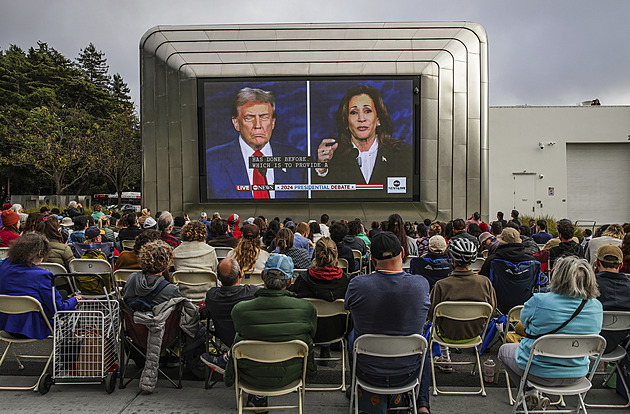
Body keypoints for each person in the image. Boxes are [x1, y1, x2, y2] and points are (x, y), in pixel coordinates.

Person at [204, 254, 317, 411]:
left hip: (251, 372)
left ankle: (230, 362)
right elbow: (311, 336)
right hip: (292, 373)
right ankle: (257, 397)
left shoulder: (241, 310)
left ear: (263, 276)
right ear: (290, 281)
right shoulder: (306, 309)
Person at [497, 256, 603, 410]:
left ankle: (528, 392)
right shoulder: (596, 307)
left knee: (503, 351)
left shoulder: (540, 301)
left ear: (558, 277)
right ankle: (531, 394)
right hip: (578, 374)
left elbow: (524, 325)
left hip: (538, 371)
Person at [345, 231, 431, 414]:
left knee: (353, 336)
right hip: (408, 373)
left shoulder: (357, 284)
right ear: (402, 251)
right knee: (422, 343)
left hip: (368, 373)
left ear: (372, 260)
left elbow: (349, 308)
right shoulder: (421, 285)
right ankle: (422, 403)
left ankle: (355, 387)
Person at [205, 87, 306, 199]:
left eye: (264, 118)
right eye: (249, 118)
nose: (257, 125)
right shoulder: (211, 162)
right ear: (236, 123)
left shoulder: (297, 159)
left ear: (272, 122)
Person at [313, 85, 412, 198]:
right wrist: (321, 169)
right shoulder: (333, 157)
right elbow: (317, 203)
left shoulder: (403, 153)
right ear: (346, 121)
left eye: (367, 111)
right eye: (354, 112)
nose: (361, 118)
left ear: (378, 119)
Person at [0, 233, 81, 339]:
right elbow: (58, 308)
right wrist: (74, 300)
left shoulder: (4, 265)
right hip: (31, 329)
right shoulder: (41, 275)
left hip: (4, 325)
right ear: (39, 253)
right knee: (64, 296)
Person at [201, 257, 258, 347]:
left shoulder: (212, 296)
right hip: (248, 341)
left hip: (225, 339)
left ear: (218, 278)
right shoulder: (252, 293)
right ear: (240, 274)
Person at [122, 240, 182, 308]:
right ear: (167, 263)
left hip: (133, 317)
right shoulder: (172, 290)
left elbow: (126, 301)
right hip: (161, 318)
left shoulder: (132, 279)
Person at [594, 244, 630, 353]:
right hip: (622, 343)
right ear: (621, 264)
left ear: (598, 263)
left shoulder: (589, 286)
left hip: (590, 343)